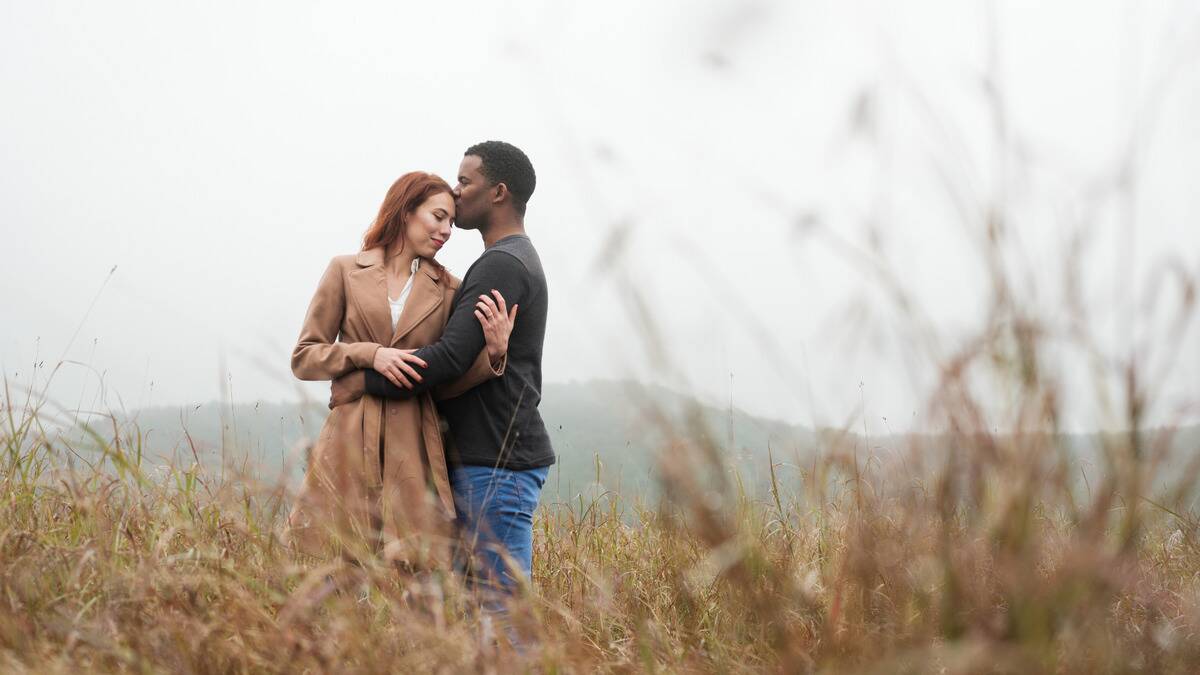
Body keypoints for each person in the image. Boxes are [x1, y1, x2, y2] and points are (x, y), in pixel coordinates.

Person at [330, 141, 554, 599]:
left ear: (498, 192)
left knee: (500, 612)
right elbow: (461, 365)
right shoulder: (509, 260)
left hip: (496, 461)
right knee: (478, 612)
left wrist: (360, 376)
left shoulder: (502, 265)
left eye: (466, 181)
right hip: (492, 459)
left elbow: (448, 358)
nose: (457, 191)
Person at [288, 171, 517, 569]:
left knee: (417, 572)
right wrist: (368, 354)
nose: (446, 230)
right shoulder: (344, 270)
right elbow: (305, 357)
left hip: (414, 440)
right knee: (334, 566)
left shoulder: (449, 288)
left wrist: (493, 356)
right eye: (438, 217)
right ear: (407, 210)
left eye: (450, 222)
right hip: (348, 435)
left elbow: (445, 378)